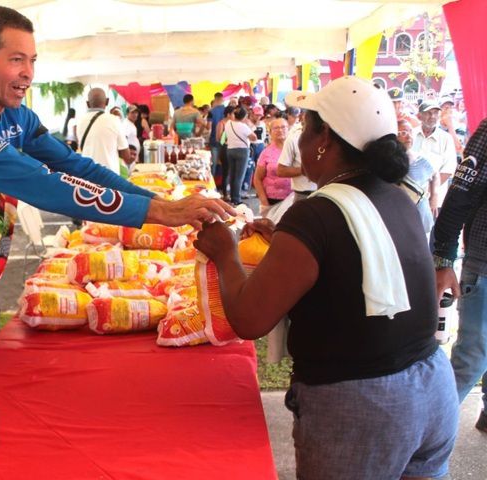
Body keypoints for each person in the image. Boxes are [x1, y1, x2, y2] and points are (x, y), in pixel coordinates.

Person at [0, 6, 233, 389]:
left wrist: (161, 202)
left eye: (32, 61)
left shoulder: (14, 117)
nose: (28, 74)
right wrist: (160, 211)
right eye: (16, 60)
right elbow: (45, 184)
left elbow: (75, 167)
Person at [195, 76, 458, 479]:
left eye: (305, 127)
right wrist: (286, 239)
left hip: (362, 408)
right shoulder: (397, 195)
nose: (299, 140)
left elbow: (249, 319)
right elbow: (354, 261)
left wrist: (225, 252)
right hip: (433, 389)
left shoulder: (316, 213)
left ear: (324, 139)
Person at [434, 118, 487, 432]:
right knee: (472, 357)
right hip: (483, 264)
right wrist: (443, 258)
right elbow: (460, 194)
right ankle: (426, 438)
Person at [413, 100, 457, 210]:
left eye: (436, 113)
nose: (432, 116)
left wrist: (429, 192)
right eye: (428, 113)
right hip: (410, 196)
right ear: (420, 116)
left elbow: (448, 170)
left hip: (433, 200)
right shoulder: (411, 134)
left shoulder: (446, 138)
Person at [397, 118, 438, 234]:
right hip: (400, 218)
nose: (409, 136)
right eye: (404, 132)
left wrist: (434, 196)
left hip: (421, 215)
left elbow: (435, 175)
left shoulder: (421, 160)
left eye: (411, 132)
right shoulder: (389, 163)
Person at [76, 87, 129, 175]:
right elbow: (126, 155)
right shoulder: (114, 120)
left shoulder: (80, 121)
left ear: (87, 104)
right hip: (109, 176)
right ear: (107, 101)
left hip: (88, 175)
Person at [277, 95, 317, 201]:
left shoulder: (328, 137)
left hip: (326, 193)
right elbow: (281, 170)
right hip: (303, 195)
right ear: (302, 117)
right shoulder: (293, 138)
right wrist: (306, 170)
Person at [253, 117, 292, 216]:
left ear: (289, 129)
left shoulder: (295, 151)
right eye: (276, 128)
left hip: (293, 199)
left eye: (283, 127)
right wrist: (264, 202)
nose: (280, 130)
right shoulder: (266, 153)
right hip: (272, 201)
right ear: (270, 132)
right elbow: (257, 179)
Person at [223, 107, 257, 206]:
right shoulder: (244, 126)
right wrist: (247, 124)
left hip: (230, 150)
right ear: (244, 116)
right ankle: (236, 199)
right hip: (242, 151)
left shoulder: (228, 124)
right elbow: (254, 138)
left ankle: (232, 196)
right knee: (239, 176)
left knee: (232, 174)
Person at [208, 92, 226, 176]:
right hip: (225, 140)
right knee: (225, 163)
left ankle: (213, 184)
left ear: (215, 99)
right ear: (223, 99)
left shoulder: (211, 111)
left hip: (214, 140)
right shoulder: (227, 110)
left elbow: (208, 127)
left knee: (213, 163)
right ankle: (225, 185)